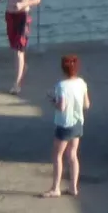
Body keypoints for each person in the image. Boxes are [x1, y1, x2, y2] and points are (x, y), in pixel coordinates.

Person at [41, 54, 90, 198]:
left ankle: (56, 188)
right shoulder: (82, 83)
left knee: (57, 155)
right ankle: (73, 187)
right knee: (73, 155)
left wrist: (53, 101)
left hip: (64, 124)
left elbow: (61, 107)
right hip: (78, 123)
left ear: (63, 69)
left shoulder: (61, 86)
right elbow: (87, 104)